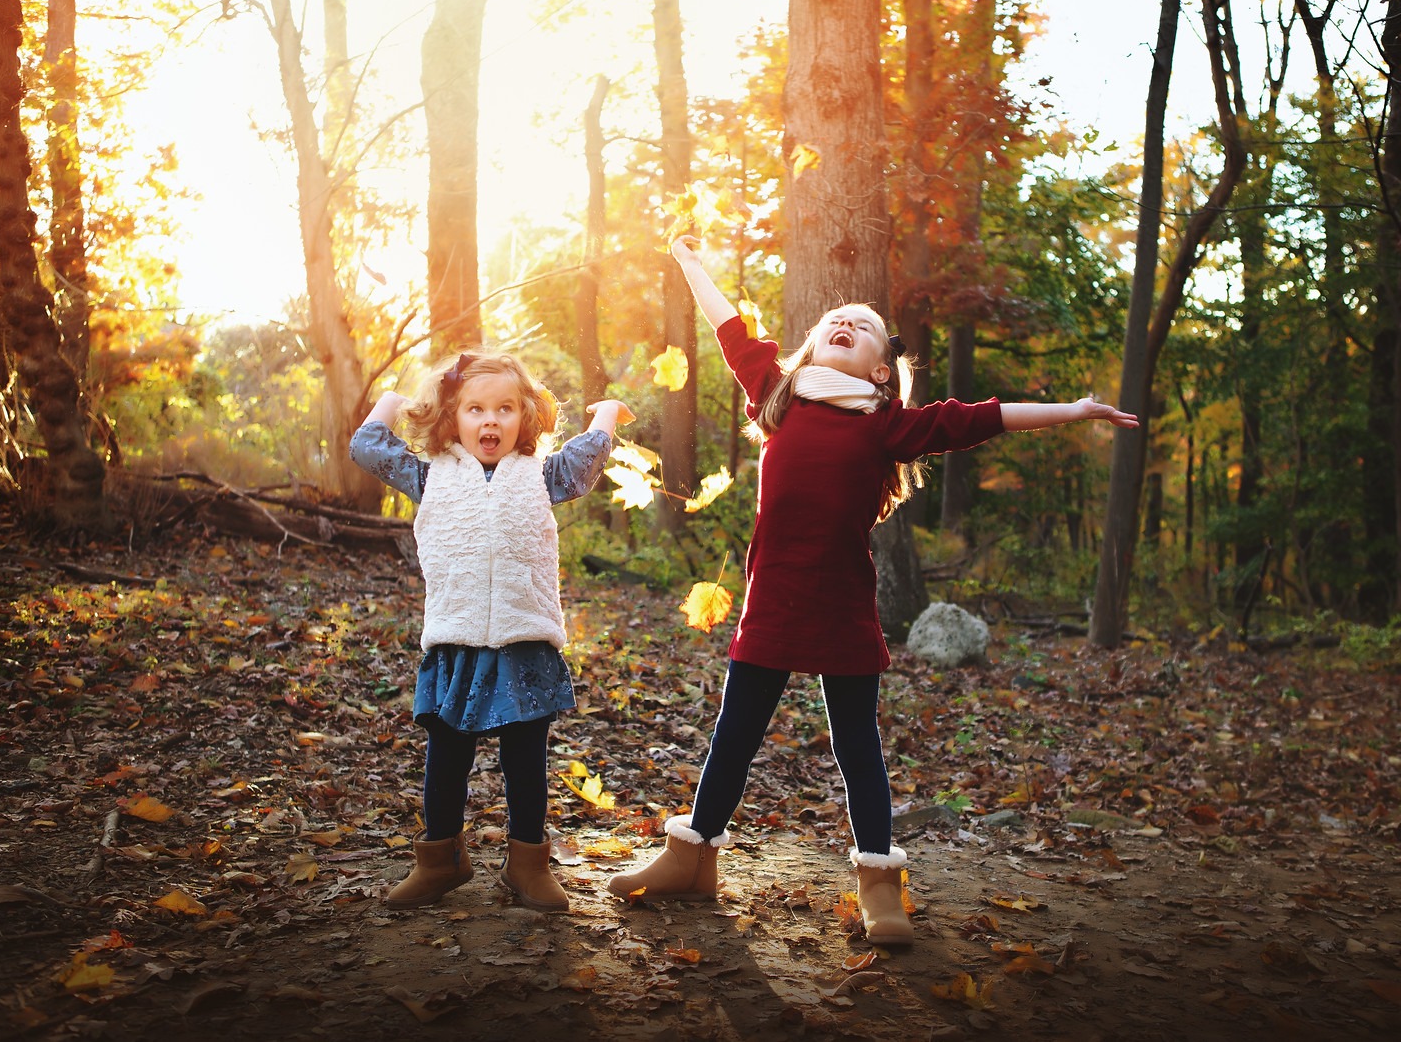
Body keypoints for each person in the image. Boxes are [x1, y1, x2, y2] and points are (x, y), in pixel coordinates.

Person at [605, 237, 1138, 945]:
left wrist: (1071, 409)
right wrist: (691, 264)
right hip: (772, 600)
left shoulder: (887, 425)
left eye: (861, 326)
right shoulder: (778, 392)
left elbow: (978, 417)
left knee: (858, 747)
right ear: (811, 345)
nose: (843, 322)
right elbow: (729, 328)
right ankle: (691, 856)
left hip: (843, 608)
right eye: (833, 321)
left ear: (881, 370)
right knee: (734, 736)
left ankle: (880, 883)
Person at [351, 351, 633, 912]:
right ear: (453, 417)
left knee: (525, 759)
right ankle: (441, 860)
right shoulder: (430, 475)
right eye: (476, 409)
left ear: (523, 417)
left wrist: (605, 418)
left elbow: (581, 464)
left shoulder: (538, 474)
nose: (490, 421)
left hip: (522, 638)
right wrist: (398, 402)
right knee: (447, 756)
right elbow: (367, 447)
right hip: (456, 639)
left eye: (505, 409)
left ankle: (527, 864)